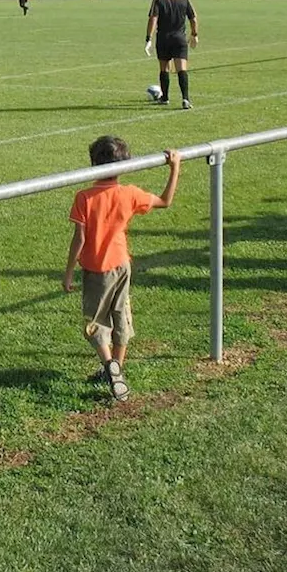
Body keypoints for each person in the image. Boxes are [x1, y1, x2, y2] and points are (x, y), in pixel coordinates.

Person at [63, 139, 182, 401]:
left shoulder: (84, 197)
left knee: (95, 322)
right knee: (120, 316)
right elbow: (165, 201)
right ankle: (118, 366)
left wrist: (69, 271)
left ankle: (110, 367)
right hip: (122, 265)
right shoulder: (129, 193)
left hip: (96, 270)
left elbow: (79, 239)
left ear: (93, 164)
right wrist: (175, 168)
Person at [144, 0, 199, 109]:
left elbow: (153, 19)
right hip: (179, 38)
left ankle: (165, 98)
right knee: (182, 69)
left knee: (164, 68)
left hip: (163, 38)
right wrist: (194, 35)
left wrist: (148, 39)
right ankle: (185, 99)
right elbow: (193, 18)